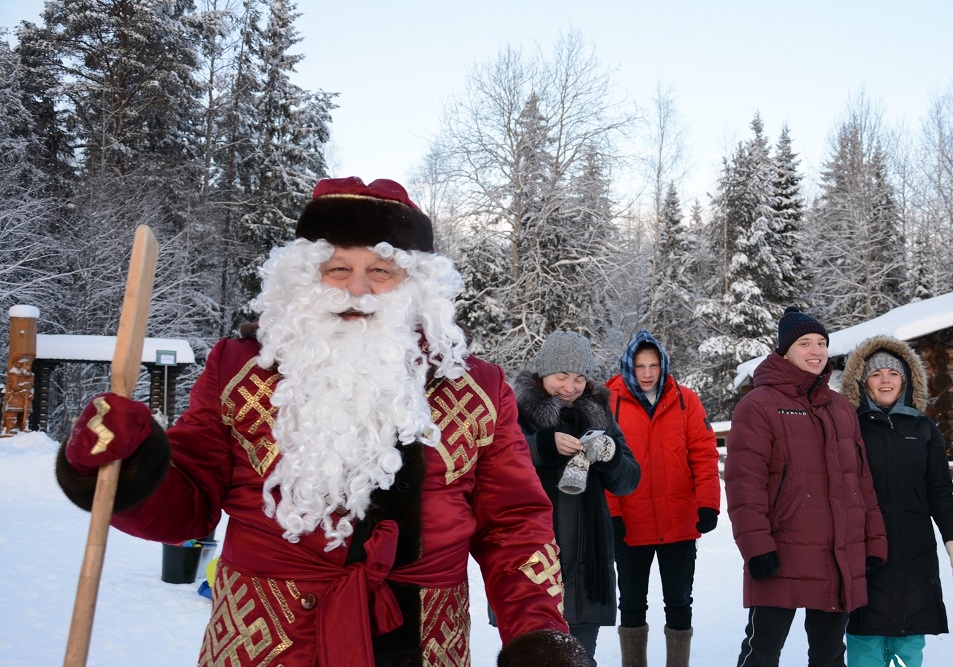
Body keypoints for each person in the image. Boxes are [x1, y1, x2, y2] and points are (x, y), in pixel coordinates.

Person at [55, 177, 589, 667]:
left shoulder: (476, 388)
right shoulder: (241, 369)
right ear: (306, 277)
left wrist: (538, 637)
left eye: (380, 271)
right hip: (264, 645)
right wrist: (130, 467)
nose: (357, 289)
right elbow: (187, 504)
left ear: (415, 284)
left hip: (422, 644)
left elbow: (515, 525)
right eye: (337, 269)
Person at [724, 306, 888, 667]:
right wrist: (756, 547)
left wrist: (873, 540)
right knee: (762, 652)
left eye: (821, 343)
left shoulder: (840, 408)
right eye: (805, 343)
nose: (816, 351)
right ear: (784, 351)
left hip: (837, 552)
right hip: (781, 551)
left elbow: (860, 481)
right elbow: (744, 483)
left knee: (829, 655)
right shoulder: (758, 405)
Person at [511, 330, 641, 665]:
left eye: (580, 378)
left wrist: (610, 454)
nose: (571, 387)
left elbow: (628, 481)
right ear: (543, 373)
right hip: (532, 562)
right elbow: (497, 465)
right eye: (562, 376)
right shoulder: (514, 412)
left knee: (580, 659)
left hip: (586, 567)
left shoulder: (599, 414)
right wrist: (542, 446)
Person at [841, 336, 953, 667]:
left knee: (909, 641)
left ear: (906, 380)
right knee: (865, 640)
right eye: (876, 373)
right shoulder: (849, 428)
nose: (885, 380)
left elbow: (940, 491)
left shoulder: (924, 429)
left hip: (915, 552)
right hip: (865, 552)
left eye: (893, 373)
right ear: (863, 382)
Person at [605, 330, 720, 667]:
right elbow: (603, 462)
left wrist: (708, 503)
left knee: (679, 603)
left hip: (679, 523)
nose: (647, 373)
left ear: (663, 366)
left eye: (653, 365)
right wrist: (612, 513)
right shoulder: (609, 403)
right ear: (629, 366)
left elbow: (704, 454)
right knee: (631, 604)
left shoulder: (686, 400)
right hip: (631, 524)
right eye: (640, 366)